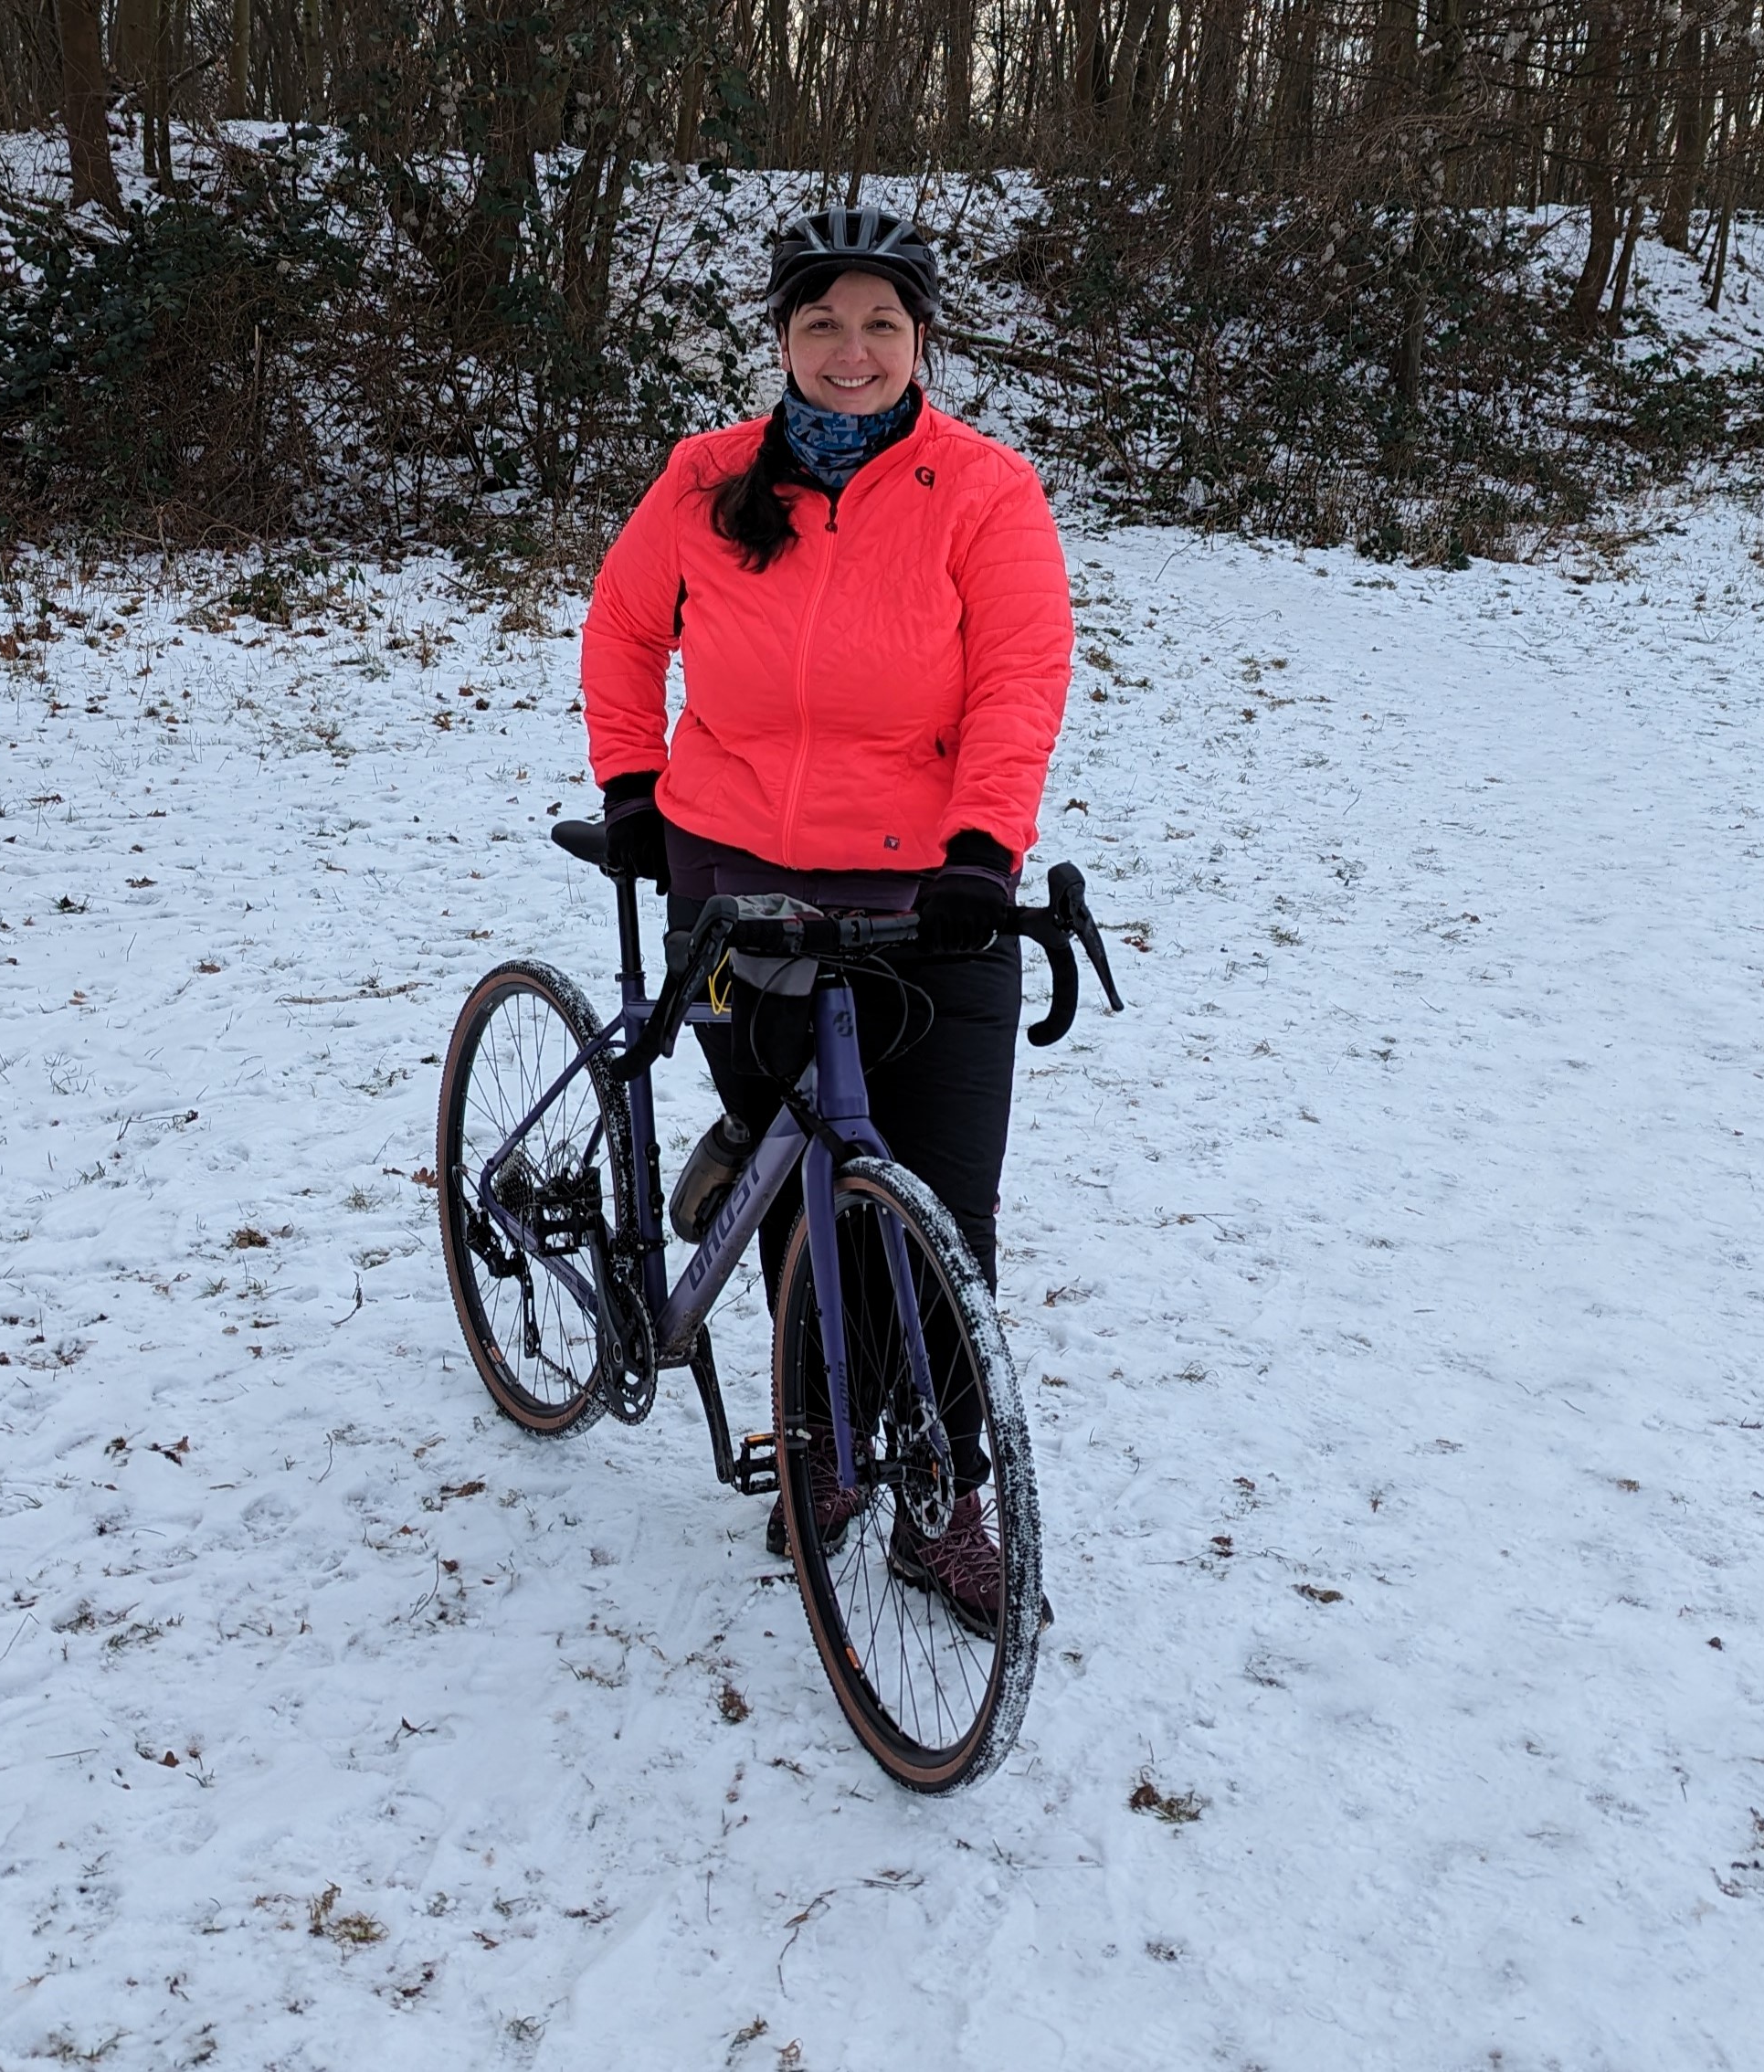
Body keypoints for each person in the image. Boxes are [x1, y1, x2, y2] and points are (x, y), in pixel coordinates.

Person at [579, 206, 1073, 1630]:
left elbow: (1020, 677)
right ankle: (821, 1453)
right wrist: (631, 781)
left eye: (879, 326)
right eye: (820, 325)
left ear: (921, 342)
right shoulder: (708, 476)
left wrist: (985, 849)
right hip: (737, 876)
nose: (849, 353)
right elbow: (623, 628)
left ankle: (948, 1502)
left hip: (933, 896)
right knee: (810, 1199)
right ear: (783, 340)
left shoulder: (982, 493)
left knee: (941, 1216)